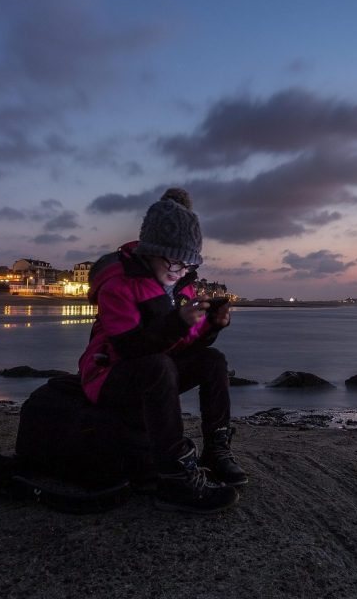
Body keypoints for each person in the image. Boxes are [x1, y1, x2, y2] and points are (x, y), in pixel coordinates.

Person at [78, 188, 246, 513]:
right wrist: (178, 324)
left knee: (213, 361)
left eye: (188, 263)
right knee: (158, 366)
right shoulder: (118, 283)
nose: (180, 270)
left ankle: (216, 449)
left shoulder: (180, 283)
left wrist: (210, 326)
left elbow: (181, 344)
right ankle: (174, 476)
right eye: (173, 259)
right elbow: (128, 347)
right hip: (107, 374)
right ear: (151, 250)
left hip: (153, 368)